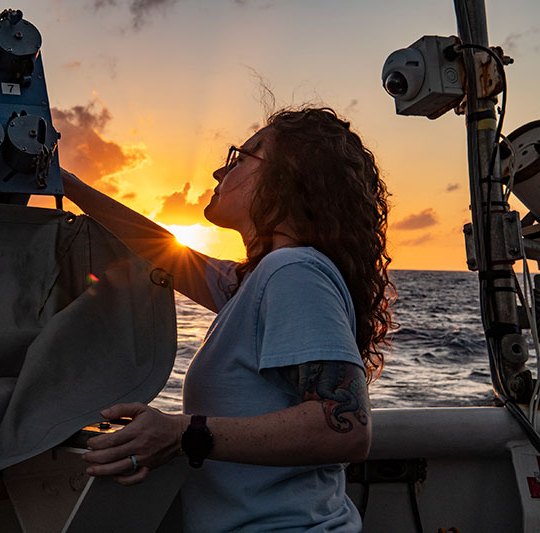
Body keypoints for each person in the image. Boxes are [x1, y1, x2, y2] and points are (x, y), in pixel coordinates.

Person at [62, 106, 394, 531]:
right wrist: (70, 186)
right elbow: (160, 247)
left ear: (286, 176)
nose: (221, 171)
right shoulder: (257, 280)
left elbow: (344, 430)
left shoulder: (292, 272)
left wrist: (183, 434)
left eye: (241, 156)